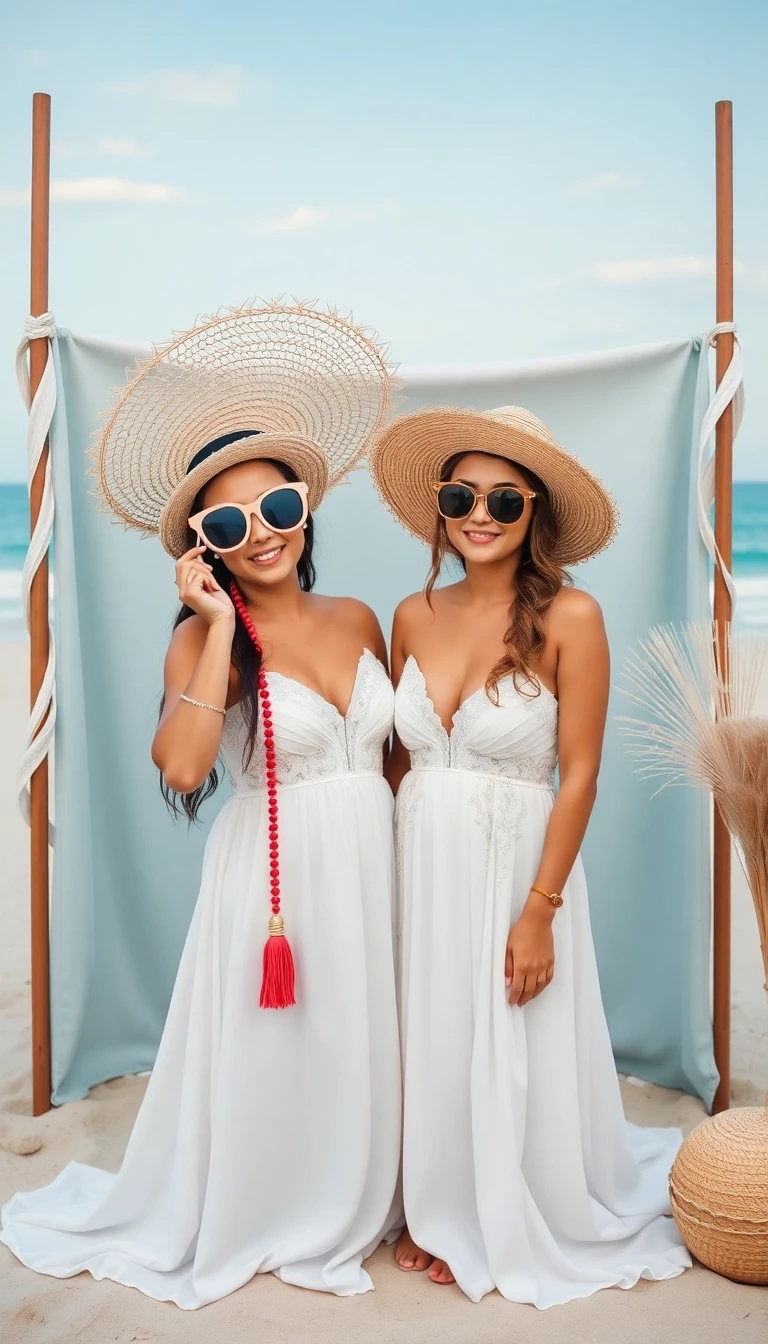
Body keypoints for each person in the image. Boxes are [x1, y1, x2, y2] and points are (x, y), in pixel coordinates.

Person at [1, 303, 402, 1307]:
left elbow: (396, 759)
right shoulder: (200, 641)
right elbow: (183, 770)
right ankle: (281, 1199)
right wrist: (220, 626)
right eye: (227, 524)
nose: (258, 534)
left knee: (362, 1037)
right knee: (283, 1049)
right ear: (201, 545)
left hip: (372, 857)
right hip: (272, 879)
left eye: (277, 509)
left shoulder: (357, 617)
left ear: (306, 509)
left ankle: (369, 1187)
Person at [370, 404, 691, 1308]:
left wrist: (541, 908)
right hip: (419, 860)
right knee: (432, 1029)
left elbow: (581, 775)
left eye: (504, 499)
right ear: (439, 506)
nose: (480, 512)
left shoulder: (572, 616)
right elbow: (395, 762)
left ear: (535, 514)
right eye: (461, 494)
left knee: (508, 1030)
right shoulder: (411, 613)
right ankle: (440, 1201)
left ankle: (502, 1204)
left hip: (517, 869)